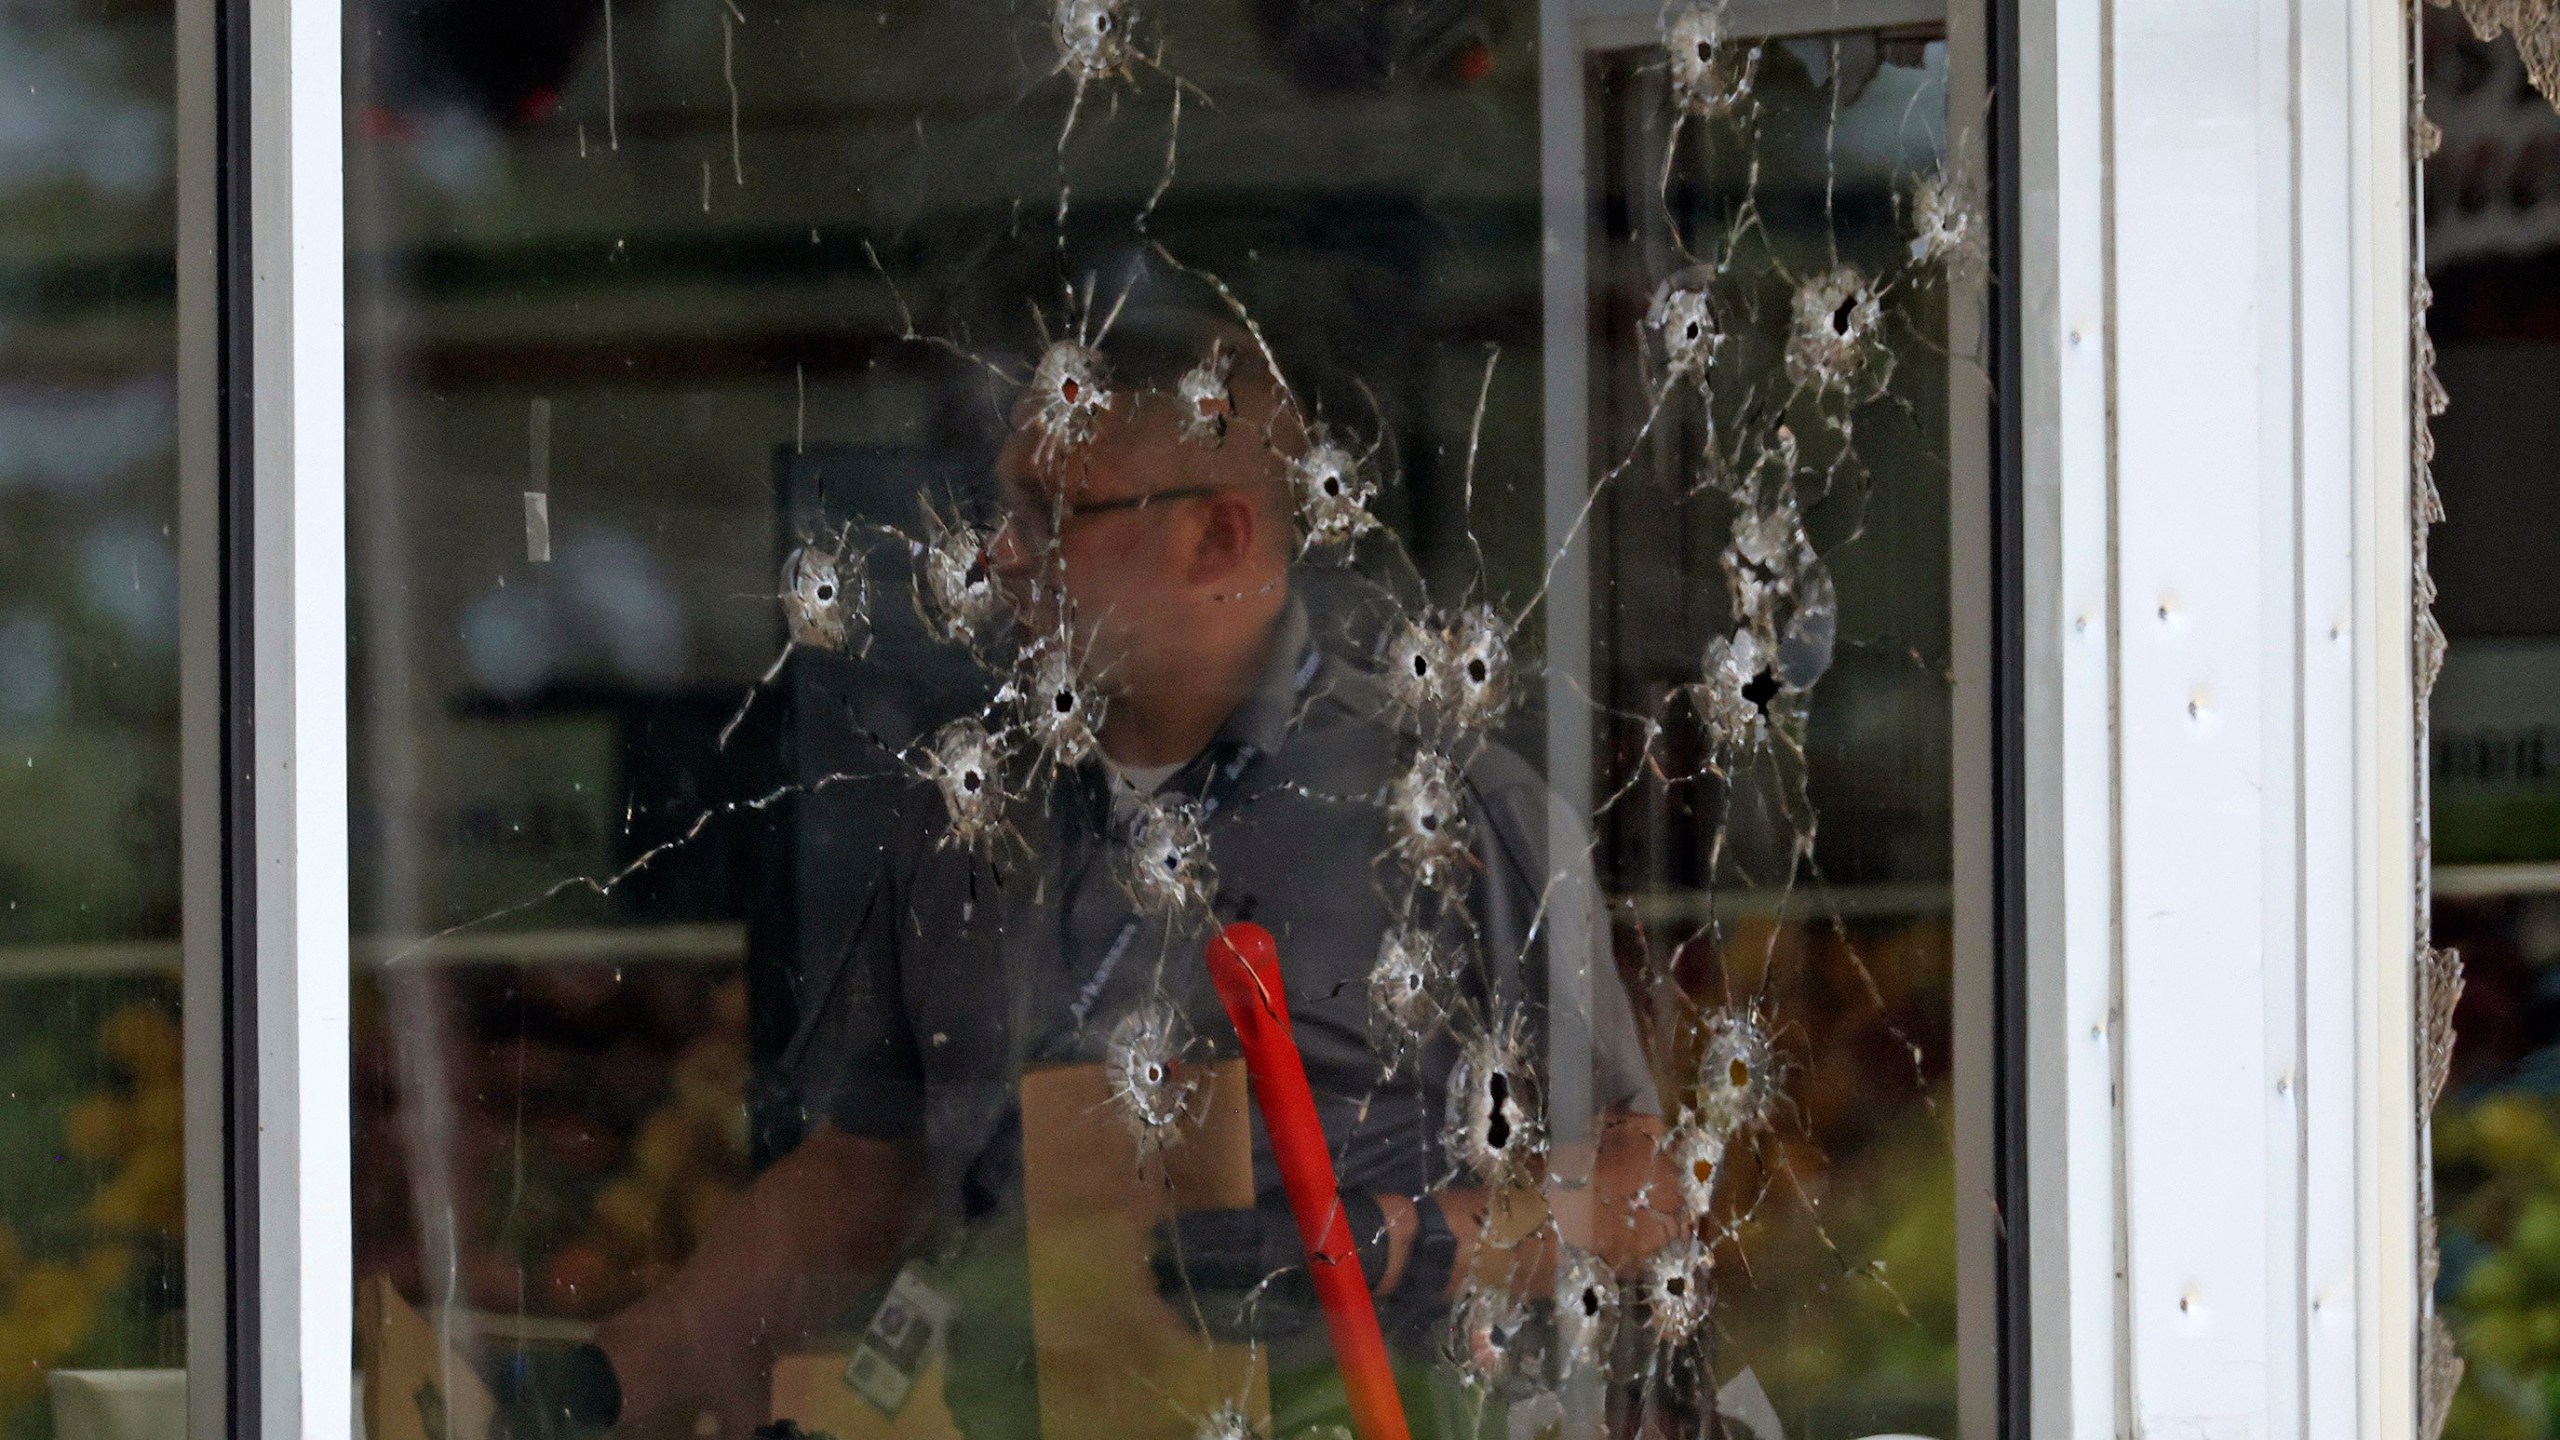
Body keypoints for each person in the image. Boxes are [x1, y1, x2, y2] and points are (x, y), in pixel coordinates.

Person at [568, 309, 1675, 1439]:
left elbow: (1645, 1191)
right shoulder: (968, 814)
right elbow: (866, 1174)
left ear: (1219, 538)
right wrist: (610, 1377)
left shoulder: (1447, 810)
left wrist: (1380, 1242)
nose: (998, 556)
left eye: (1050, 515)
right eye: (1000, 507)